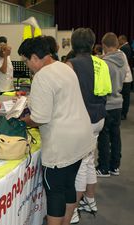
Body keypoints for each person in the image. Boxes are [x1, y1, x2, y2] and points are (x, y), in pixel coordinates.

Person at [18, 36, 94, 225]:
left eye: (26, 61)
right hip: (81, 138)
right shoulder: (64, 67)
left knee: (55, 192)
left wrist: (21, 121)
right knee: (68, 185)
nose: (27, 65)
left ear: (35, 57)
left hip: (62, 145)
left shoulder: (42, 76)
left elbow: (39, 118)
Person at [66, 28, 109, 224]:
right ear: (92, 44)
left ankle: (73, 209)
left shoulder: (71, 65)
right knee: (89, 159)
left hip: (82, 120)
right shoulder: (101, 63)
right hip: (99, 117)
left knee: (80, 165)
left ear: (73, 44)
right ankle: (90, 200)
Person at [96, 32, 127, 177]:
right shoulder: (122, 60)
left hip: (107, 104)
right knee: (116, 136)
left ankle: (103, 167)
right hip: (118, 102)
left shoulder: (105, 64)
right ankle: (115, 166)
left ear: (104, 46)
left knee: (104, 137)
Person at [118, 35, 133, 120]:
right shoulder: (126, 48)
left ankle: (123, 114)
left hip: (125, 78)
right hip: (126, 77)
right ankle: (123, 113)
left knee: (125, 98)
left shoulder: (123, 50)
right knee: (125, 97)